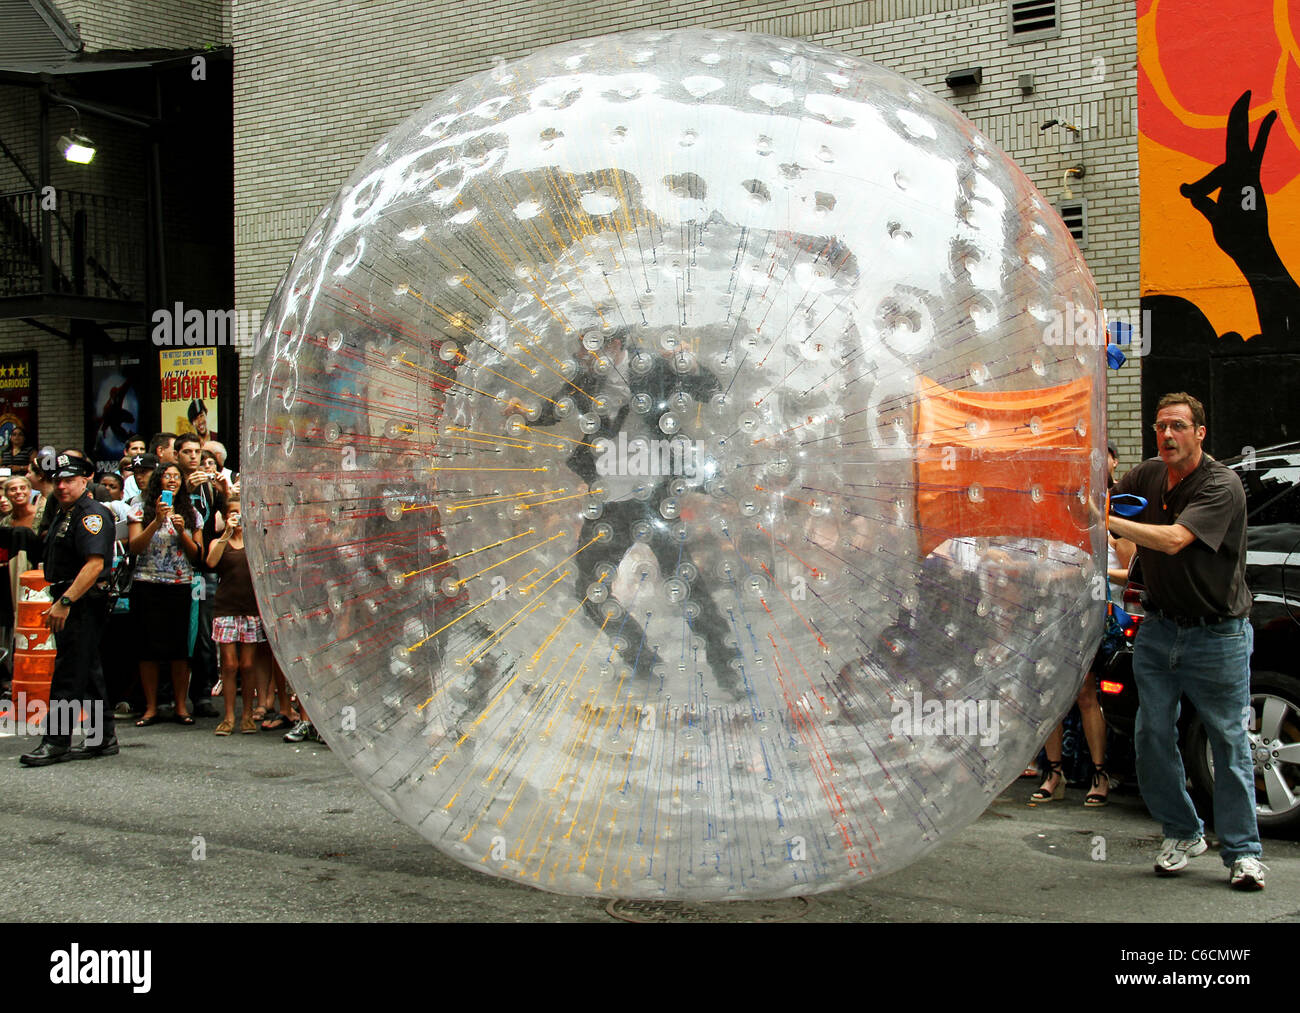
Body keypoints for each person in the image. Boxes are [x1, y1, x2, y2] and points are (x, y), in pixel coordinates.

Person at [1106, 392, 1264, 890]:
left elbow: (1174, 539)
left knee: (1229, 741)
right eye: (1159, 427)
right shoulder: (1149, 475)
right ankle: (1182, 831)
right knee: (1151, 736)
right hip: (1157, 629)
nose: (1167, 436)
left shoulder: (1222, 484)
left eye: (1177, 426)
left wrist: (1101, 520)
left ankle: (1243, 853)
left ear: (1200, 432)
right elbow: (1109, 501)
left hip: (1217, 634)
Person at [1030, 442, 1134, 806]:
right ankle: (1053, 771)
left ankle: (1099, 772)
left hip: (1087, 616)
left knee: (1086, 694)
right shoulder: (1052, 517)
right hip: (1050, 615)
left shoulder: (1105, 514)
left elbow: (1116, 565)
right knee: (1049, 696)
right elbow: (1038, 564)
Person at [0, 452, 117, 764]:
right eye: (58, 481)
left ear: (85, 480)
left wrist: (65, 602)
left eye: (69, 480)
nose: (62, 486)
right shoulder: (65, 512)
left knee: (68, 674)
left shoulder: (91, 515)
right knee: (88, 672)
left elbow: (94, 565)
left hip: (81, 601)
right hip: (70, 598)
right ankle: (101, 737)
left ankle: (56, 741)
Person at [127, 463, 203, 726]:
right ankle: (151, 707)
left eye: (176, 477)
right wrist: (157, 521)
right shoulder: (140, 509)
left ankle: (181, 707)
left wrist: (182, 531)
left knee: (179, 649)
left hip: (179, 584)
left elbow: (197, 555)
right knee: (147, 648)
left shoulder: (191, 512)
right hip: (146, 583)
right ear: (158, 480)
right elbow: (134, 547)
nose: (172, 480)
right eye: (167, 476)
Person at [205, 494, 268, 734]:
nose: (237, 517)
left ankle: (248, 714)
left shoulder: (255, 540)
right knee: (229, 665)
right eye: (232, 513)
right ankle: (229, 715)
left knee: (248, 664)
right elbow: (210, 562)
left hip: (250, 608)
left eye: (241, 512)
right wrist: (225, 534)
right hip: (226, 608)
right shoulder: (219, 542)